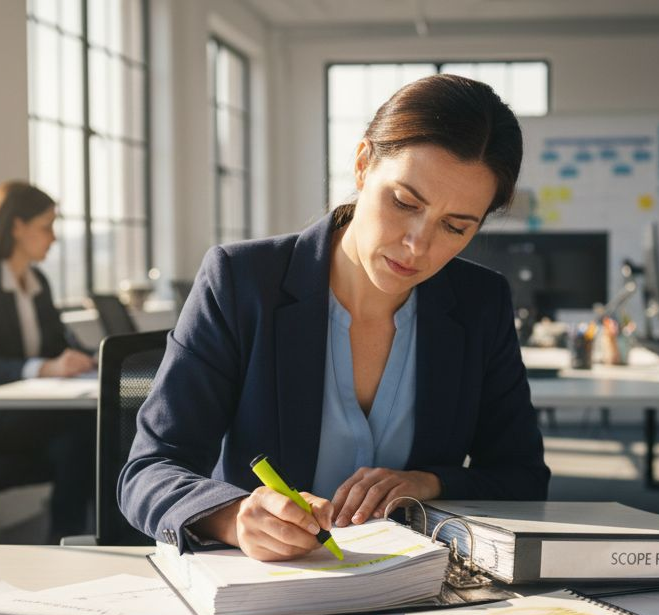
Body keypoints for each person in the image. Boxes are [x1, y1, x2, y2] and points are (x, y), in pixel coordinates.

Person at [120, 75, 550, 561]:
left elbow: (523, 477)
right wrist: (235, 517)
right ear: (363, 165)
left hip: (416, 586)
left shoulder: (480, 303)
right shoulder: (242, 282)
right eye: (404, 203)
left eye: (455, 227)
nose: (418, 245)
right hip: (269, 589)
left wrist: (430, 482)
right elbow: (149, 470)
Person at [0, 181, 97, 541]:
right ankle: (70, 542)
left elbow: (59, 344)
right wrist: (46, 368)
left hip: (28, 416)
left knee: (94, 432)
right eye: (46, 226)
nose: (53, 238)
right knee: (84, 436)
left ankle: (77, 539)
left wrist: (87, 358)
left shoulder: (35, 280)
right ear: (15, 226)